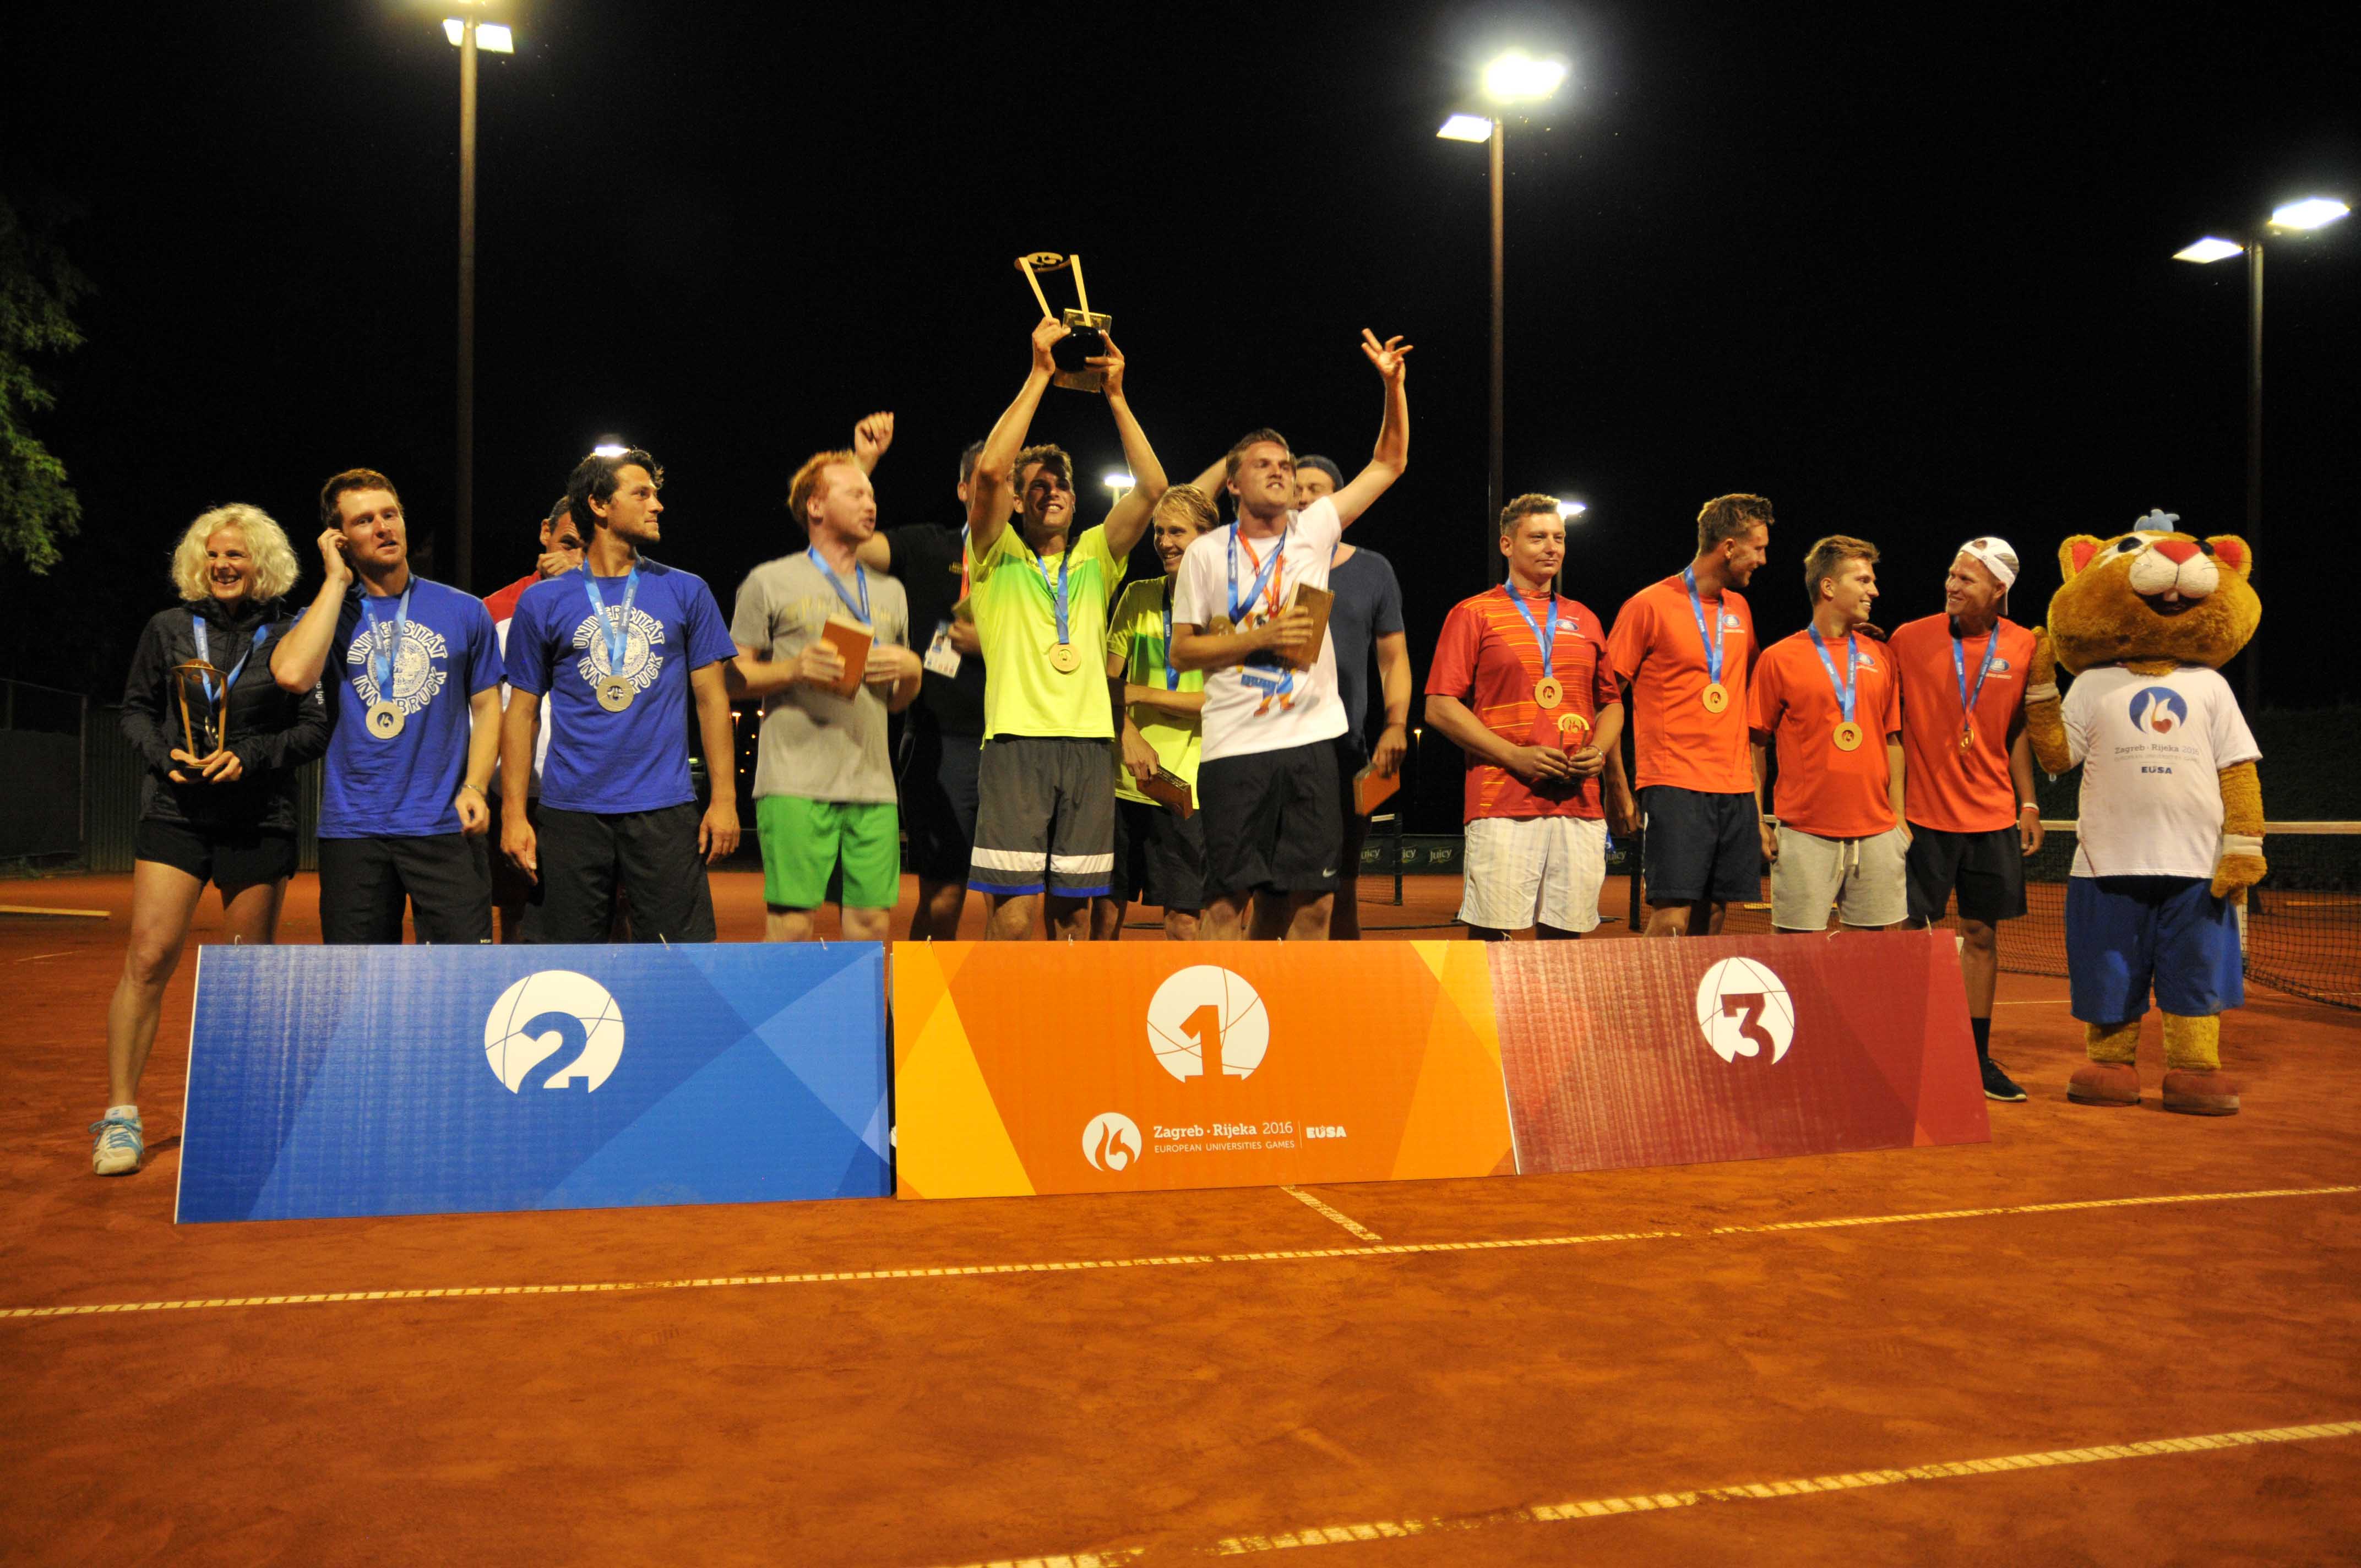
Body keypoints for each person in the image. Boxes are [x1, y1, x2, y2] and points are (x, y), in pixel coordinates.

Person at [94, 505, 325, 1175]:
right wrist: (165, 755)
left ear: (263, 564)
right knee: (149, 953)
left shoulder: (292, 633)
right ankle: (120, 1118)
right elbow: (135, 709)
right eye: (215, 554)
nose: (225, 565)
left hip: (259, 818)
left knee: (248, 972)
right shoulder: (168, 629)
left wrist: (248, 758)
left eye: (239, 555)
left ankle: (240, 1119)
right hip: (175, 811)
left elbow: (314, 729)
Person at [1172, 329, 1413, 941]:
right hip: (1234, 746)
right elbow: (1184, 650)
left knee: (1313, 903)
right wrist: (1263, 637)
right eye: (1264, 465)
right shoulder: (1204, 553)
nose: (1279, 473)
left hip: (1312, 742)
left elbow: (1389, 462)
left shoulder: (1313, 530)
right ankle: (1220, 1033)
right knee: (1227, 904)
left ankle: (1297, 1028)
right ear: (1233, 484)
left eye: (1285, 465)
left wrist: (1391, 387)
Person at [963, 318, 1168, 939]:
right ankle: (1007, 1030)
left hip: (1087, 749)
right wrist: (1040, 374)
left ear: (1077, 502)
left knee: (1074, 913)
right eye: (1039, 487)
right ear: (1019, 504)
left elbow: (1155, 487)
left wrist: (1116, 397)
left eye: (1063, 486)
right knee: (1015, 912)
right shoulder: (994, 552)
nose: (1052, 493)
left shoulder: (1096, 555)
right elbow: (992, 473)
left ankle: (1062, 1031)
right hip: (1015, 744)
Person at [499, 447, 741, 942]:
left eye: (656, 494)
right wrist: (514, 814)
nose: (658, 505)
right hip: (571, 811)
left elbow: (713, 701)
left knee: (679, 962)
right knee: (565, 966)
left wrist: (725, 800)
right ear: (599, 505)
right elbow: (522, 714)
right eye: (642, 494)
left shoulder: (687, 591)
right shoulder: (542, 602)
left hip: (665, 808)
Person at [269, 469, 503, 944]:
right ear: (339, 540)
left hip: (445, 825)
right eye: (364, 521)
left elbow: (488, 706)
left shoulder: (463, 610)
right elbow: (292, 675)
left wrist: (477, 785)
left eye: (390, 514)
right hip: (355, 829)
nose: (383, 527)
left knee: (461, 979)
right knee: (359, 985)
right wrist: (336, 583)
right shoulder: (326, 616)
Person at [727, 448, 921, 941]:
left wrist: (912, 672)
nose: (870, 503)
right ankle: (783, 1023)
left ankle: (858, 1023)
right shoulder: (768, 581)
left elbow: (895, 702)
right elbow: (730, 678)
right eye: (855, 493)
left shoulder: (891, 592)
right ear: (815, 507)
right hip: (794, 781)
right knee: (792, 924)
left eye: (872, 495)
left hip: (873, 784)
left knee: (872, 924)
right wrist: (793, 668)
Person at [1424, 494, 1623, 939]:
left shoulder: (1584, 618)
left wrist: (1599, 750)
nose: (1552, 547)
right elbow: (1439, 705)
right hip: (1503, 800)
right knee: (1494, 941)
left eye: (1559, 538)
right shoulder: (1473, 613)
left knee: (1566, 943)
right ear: (1507, 545)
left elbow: (1611, 703)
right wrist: (1515, 757)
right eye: (1538, 538)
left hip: (1579, 803)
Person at [1891, 538, 2043, 1102]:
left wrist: (2027, 804)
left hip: (1991, 817)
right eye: (1951, 574)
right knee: (1909, 936)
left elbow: (2018, 730)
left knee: (1981, 935)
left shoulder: (2024, 645)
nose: (1953, 586)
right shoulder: (1908, 638)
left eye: (1967, 580)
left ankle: (1975, 1059)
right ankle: (1906, 1052)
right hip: (1920, 819)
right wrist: (1890, 804)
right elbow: (1886, 723)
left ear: (1998, 590)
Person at [1605, 493, 1774, 936]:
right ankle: (1648, 1007)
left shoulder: (1740, 609)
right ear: (1729, 547)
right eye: (1758, 548)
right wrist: (1617, 785)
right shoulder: (1649, 605)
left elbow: (1756, 684)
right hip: (1675, 784)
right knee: (1673, 917)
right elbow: (1605, 699)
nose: (1763, 558)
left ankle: (1693, 1008)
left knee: (1716, 914)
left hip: (1735, 789)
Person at [855, 431, 996, 939]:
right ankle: (923, 1015)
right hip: (944, 741)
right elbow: (840, 543)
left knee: (1016, 900)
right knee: (944, 895)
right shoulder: (926, 545)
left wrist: (994, 643)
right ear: (963, 490)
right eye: (985, 477)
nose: (996, 485)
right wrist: (862, 466)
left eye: (1006, 479)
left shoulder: (1038, 567)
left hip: (1020, 745)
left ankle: (996, 1015)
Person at [1748, 535, 1907, 933]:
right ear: (1829, 587)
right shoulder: (1778, 659)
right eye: (1863, 580)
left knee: (1871, 965)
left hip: (1877, 833)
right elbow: (1753, 745)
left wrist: (1899, 820)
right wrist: (1756, 818)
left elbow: (1893, 741)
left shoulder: (1881, 655)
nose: (1874, 590)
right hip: (1805, 833)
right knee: (1796, 960)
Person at [1093, 485, 1217, 940]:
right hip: (1124, 783)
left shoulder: (1224, 611)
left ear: (1206, 538)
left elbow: (1218, 702)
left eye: (1177, 531)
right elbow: (1107, 684)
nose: (1164, 541)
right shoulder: (1137, 596)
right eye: (1160, 531)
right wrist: (1126, 732)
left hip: (1189, 791)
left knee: (1184, 921)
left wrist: (1141, 694)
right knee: (1105, 912)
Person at [482, 496, 589, 941]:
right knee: (518, 919)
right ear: (546, 533)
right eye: (567, 543)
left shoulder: (611, 610)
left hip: (587, 793)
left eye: (586, 547)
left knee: (606, 919)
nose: (574, 559)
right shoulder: (490, 612)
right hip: (515, 792)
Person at [1316, 463, 1410, 940]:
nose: (1306, 501)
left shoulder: (1373, 570)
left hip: (1345, 750)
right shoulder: (1260, 568)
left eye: (1319, 492)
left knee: (1343, 883)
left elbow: (1393, 659)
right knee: (1268, 886)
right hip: (1271, 747)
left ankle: (1337, 994)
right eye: (1297, 491)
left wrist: (1396, 724)